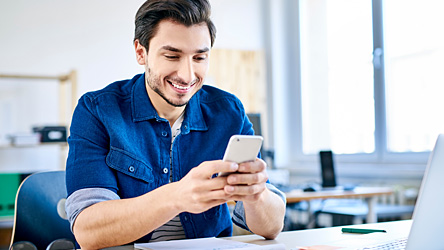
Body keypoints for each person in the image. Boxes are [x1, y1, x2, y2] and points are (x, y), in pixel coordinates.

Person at [65, 0, 286, 249]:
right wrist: (176, 197)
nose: (187, 75)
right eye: (172, 56)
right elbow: (87, 231)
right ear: (141, 52)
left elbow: (271, 227)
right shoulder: (97, 110)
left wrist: (257, 194)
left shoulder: (228, 111)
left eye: (200, 57)